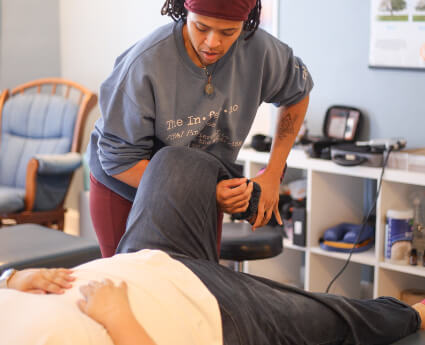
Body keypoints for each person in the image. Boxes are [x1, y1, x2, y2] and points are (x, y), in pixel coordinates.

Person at [1, 146, 425, 345]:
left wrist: (16, 277)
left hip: (144, 258)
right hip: (209, 311)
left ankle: (242, 199)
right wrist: (117, 318)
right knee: (333, 317)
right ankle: (413, 315)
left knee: (176, 160)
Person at [87, 0, 314, 257]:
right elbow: (120, 159)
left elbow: (296, 95)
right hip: (127, 185)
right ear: (184, 11)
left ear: (245, 24)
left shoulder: (260, 51)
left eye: (228, 32)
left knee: (196, 286)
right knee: (130, 287)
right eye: (201, 27)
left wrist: (273, 173)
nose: (213, 43)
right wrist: (204, 193)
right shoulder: (145, 65)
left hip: (206, 185)